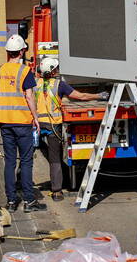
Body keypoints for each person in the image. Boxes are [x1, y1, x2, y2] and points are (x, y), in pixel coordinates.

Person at [35, 57, 108, 201]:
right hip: (53, 126)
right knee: (54, 159)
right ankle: (56, 192)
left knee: (26, 158)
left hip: (37, 124)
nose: (57, 70)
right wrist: (99, 96)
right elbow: (80, 96)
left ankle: (21, 184)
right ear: (52, 70)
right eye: (55, 68)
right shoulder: (59, 85)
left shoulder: (35, 84)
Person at [0, 35, 44, 213]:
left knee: (9, 161)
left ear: (8, 52)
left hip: (4, 121)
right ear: (22, 51)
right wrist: (36, 117)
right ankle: (29, 201)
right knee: (26, 161)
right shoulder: (24, 71)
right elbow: (29, 96)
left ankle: (11, 201)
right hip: (22, 121)